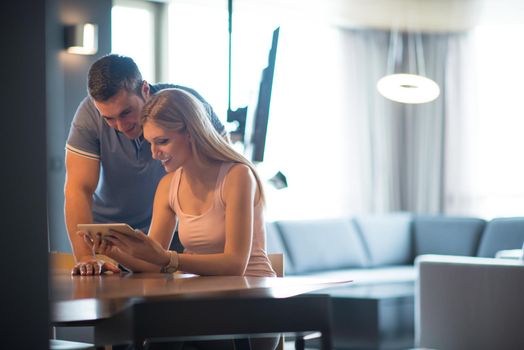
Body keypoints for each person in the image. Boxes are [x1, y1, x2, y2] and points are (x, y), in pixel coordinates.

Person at [83, 88, 278, 350]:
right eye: (150, 142)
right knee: (152, 333)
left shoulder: (237, 176)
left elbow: (235, 265)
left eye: (162, 141)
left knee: (166, 333)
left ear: (191, 133)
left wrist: (168, 260)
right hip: (201, 299)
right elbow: (152, 261)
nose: (154, 153)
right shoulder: (168, 185)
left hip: (251, 298)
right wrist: (113, 252)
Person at [65, 54, 226, 275]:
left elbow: (223, 166)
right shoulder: (89, 116)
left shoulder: (186, 106)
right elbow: (78, 190)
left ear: (145, 90)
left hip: (175, 230)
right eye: (109, 119)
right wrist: (86, 257)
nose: (120, 126)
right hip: (110, 235)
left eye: (126, 112)